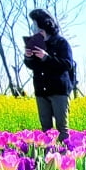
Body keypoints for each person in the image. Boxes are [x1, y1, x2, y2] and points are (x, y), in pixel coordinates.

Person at [23, 8, 74, 143]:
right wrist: (28, 58)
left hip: (59, 90)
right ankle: (49, 157)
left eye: (36, 25)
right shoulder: (36, 43)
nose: (34, 28)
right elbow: (33, 66)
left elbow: (67, 64)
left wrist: (47, 58)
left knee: (62, 128)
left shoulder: (61, 43)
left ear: (45, 25)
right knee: (46, 128)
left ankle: (65, 156)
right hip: (41, 90)